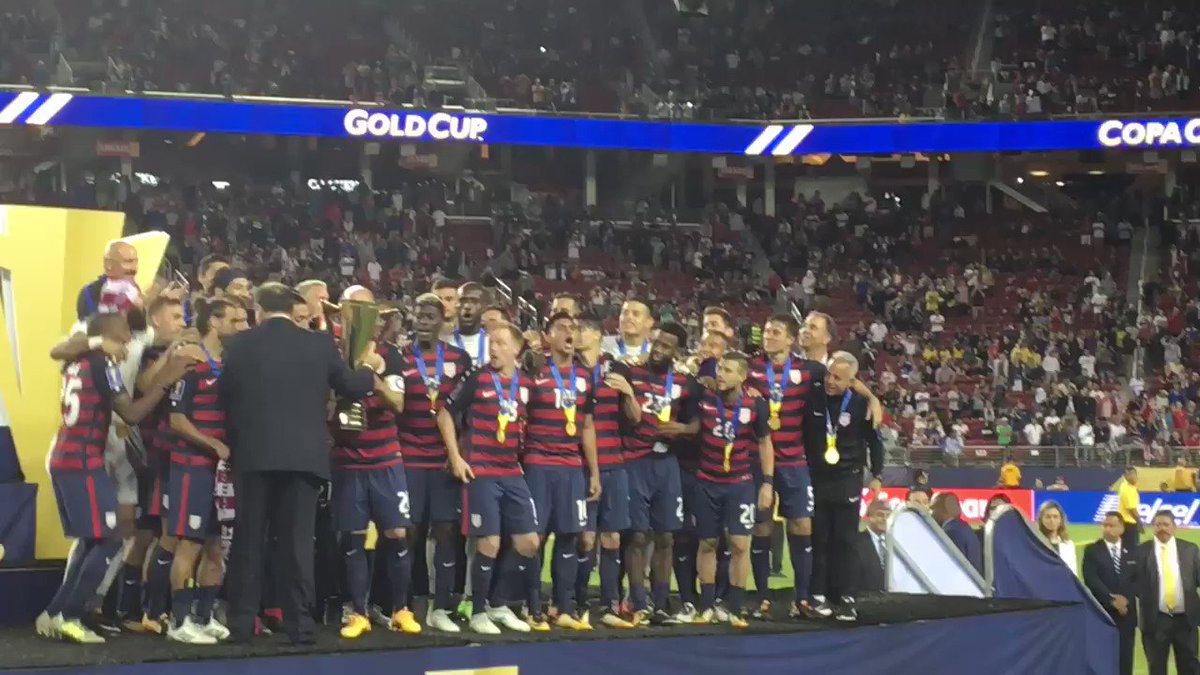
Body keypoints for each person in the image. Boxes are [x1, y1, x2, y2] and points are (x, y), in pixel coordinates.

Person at [220, 283, 383, 645]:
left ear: (258, 311)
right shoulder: (318, 343)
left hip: (253, 456)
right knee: (296, 543)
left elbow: (224, 397)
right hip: (304, 458)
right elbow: (351, 387)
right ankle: (301, 626)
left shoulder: (238, 344)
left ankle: (241, 624)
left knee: (249, 541)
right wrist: (370, 368)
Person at [36, 312, 192, 643]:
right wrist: (165, 382)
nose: (126, 344)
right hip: (83, 460)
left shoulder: (77, 360)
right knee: (110, 537)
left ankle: (55, 612)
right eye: (123, 338)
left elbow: (63, 350)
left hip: (68, 456)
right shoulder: (102, 362)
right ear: (107, 336)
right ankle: (71, 614)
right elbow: (131, 413)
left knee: (92, 539)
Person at [328, 287, 421, 639]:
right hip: (348, 460)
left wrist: (372, 376)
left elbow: (398, 404)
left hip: (385, 458)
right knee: (352, 538)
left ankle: (400, 609)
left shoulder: (391, 356)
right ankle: (358, 613)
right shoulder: (332, 354)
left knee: (397, 533)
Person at [437, 323, 541, 634]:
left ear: (516, 350)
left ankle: (498, 604)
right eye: (491, 343)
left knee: (529, 542)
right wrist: (456, 457)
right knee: (489, 542)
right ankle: (478, 610)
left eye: (500, 343)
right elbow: (444, 413)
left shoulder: (526, 384)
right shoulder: (477, 377)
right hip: (480, 469)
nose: (493, 349)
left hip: (511, 471)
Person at [606, 322, 703, 625]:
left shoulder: (686, 382)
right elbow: (628, 415)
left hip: (667, 465)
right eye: (656, 343)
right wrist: (629, 394)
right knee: (636, 535)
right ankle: (638, 602)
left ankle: (660, 603)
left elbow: (699, 420)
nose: (659, 350)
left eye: (666, 347)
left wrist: (684, 428)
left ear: (677, 351)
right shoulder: (630, 370)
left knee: (666, 536)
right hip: (635, 462)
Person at [165, 297, 249, 644]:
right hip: (192, 467)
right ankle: (179, 621)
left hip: (223, 471)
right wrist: (211, 444)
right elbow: (176, 419)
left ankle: (203, 616)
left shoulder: (231, 364)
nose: (243, 327)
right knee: (190, 545)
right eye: (237, 320)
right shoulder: (191, 361)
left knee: (216, 547)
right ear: (214, 322)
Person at [395, 294, 472, 633]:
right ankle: (406, 605)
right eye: (419, 314)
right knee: (408, 533)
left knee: (445, 532)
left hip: (443, 459)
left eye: (431, 315)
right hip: (408, 456)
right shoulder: (399, 356)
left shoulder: (459, 357)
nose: (424, 320)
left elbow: (466, 410)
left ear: (443, 321)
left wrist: (459, 453)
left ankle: (441, 607)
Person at [521, 312, 600, 629]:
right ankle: (532, 607)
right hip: (539, 463)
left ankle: (563, 608)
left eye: (574, 328)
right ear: (547, 335)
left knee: (570, 536)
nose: (570, 333)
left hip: (571, 466)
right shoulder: (533, 370)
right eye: (562, 328)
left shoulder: (585, 375)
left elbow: (588, 426)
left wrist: (593, 472)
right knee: (535, 537)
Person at [746, 314, 822, 618]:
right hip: (757, 459)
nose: (769, 336)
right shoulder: (749, 368)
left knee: (801, 523)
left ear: (790, 339)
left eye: (776, 332)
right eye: (766, 331)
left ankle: (801, 599)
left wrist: (870, 397)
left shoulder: (807, 371)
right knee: (761, 524)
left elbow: (845, 380)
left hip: (794, 458)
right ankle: (761, 597)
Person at [690, 352, 774, 627]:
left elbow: (764, 443)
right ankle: (707, 605)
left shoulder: (756, 405)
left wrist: (768, 483)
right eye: (719, 369)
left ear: (742, 376)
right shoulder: (703, 398)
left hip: (740, 483)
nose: (720, 374)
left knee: (740, 544)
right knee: (708, 543)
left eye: (727, 370)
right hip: (706, 481)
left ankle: (735, 607)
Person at [807, 351, 883, 621]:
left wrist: (877, 475)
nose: (830, 381)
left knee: (846, 540)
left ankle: (847, 598)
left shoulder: (861, 404)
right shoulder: (814, 397)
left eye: (838, 378)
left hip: (848, 477)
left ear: (852, 381)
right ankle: (818, 594)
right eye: (829, 374)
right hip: (818, 477)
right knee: (819, 538)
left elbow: (875, 441)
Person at [573, 314, 635, 628]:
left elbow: (634, 418)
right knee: (584, 538)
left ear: (597, 334)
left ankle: (610, 603)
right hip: (580, 465)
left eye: (581, 328)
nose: (576, 334)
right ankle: (579, 603)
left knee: (611, 537)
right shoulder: (568, 369)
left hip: (615, 465)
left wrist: (629, 392)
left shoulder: (617, 368)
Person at [1135, 510, 1200, 675]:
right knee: (1156, 667)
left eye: (1166, 524)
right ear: (1152, 527)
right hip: (1155, 620)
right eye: (1157, 525)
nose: (1162, 528)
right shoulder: (1141, 551)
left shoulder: (1190, 550)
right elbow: (1134, 582)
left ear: (1174, 527)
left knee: (1189, 667)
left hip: (1185, 620)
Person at [1082, 512, 1137, 675]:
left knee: (1126, 658)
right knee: (1102, 657)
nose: (1107, 529)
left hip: (1127, 614)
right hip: (1102, 612)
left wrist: (1125, 601)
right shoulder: (1092, 550)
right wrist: (1111, 600)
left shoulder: (1133, 551)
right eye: (1104, 525)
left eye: (1111, 525)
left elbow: (1138, 579)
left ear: (1121, 528)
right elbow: (1091, 579)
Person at [931, 492, 983, 574]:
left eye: (933, 508)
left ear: (945, 509)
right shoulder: (964, 527)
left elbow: (953, 569)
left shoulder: (950, 532)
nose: (932, 513)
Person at [445, 282, 489, 365]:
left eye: (474, 301)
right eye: (463, 300)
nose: (467, 306)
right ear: (456, 305)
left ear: (484, 307)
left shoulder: (492, 344)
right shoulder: (445, 343)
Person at [856, 499, 890, 594]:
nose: (885, 519)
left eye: (888, 515)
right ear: (869, 517)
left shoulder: (896, 544)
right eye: (880, 515)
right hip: (866, 600)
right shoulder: (856, 542)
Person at [1036, 501, 1077, 575]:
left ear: (1061, 519)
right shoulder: (1035, 542)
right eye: (1048, 517)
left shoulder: (1068, 545)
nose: (1052, 520)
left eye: (1055, 517)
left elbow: (1073, 572)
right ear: (1041, 519)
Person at [1118, 467, 1142, 555]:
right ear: (1125, 476)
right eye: (1130, 474)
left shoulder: (1126, 486)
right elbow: (1132, 509)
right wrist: (1139, 523)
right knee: (1132, 550)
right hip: (1129, 524)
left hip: (1123, 522)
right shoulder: (1127, 489)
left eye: (1134, 474)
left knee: (1124, 548)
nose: (1133, 477)